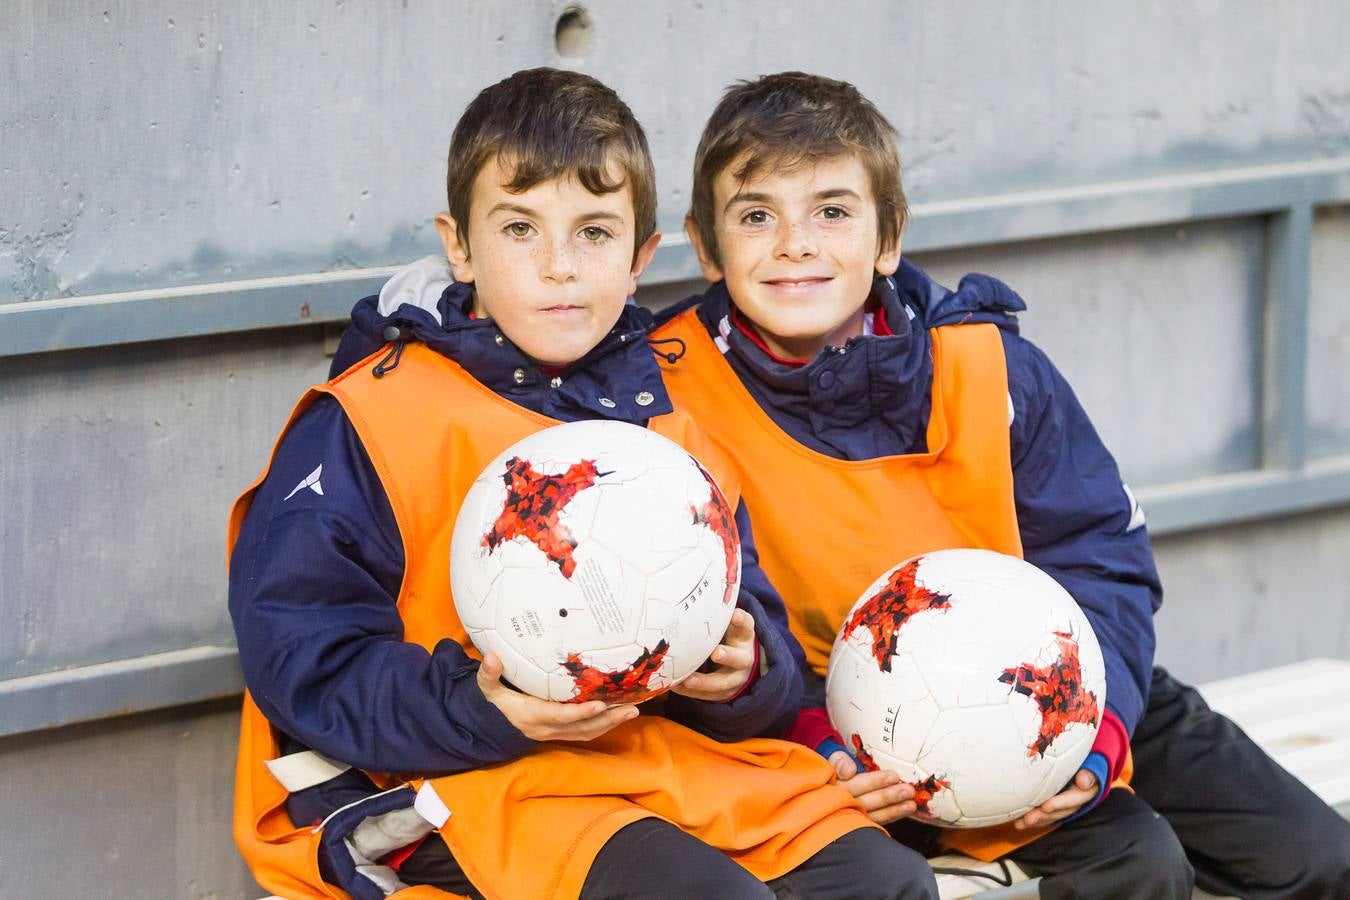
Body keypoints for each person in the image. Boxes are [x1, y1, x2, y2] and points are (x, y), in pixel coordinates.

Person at [228, 67, 938, 899]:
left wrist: (744, 672)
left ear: (641, 257)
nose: (560, 267)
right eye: (521, 229)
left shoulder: (669, 428)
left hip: (651, 765)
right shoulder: (371, 416)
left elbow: (759, 642)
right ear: (458, 244)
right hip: (454, 775)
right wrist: (478, 710)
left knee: (884, 883)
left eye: (595, 233)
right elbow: (300, 652)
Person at [648, 71, 1350, 899]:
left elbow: (1102, 559)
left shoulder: (989, 366)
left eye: (832, 211)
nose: (795, 243)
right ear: (704, 243)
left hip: (1062, 686)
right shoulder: (664, 399)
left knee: (1319, 859)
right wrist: (818, 741)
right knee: (1139, 864)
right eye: (757, 215)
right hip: (841, 736)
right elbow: (699, 640)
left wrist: (1097, 741)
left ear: (888, 237)